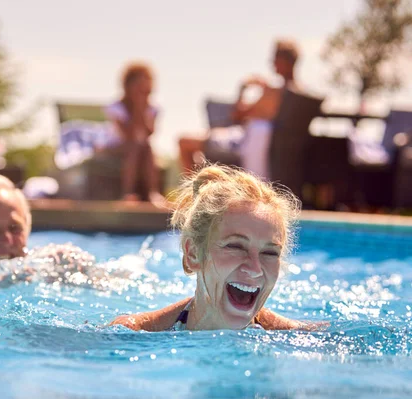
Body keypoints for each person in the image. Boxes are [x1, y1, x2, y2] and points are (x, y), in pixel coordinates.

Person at [110, 164, 319, 332]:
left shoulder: (299, 339)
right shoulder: (134, 333)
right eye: (236, 246)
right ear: (193, 254)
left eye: (270, 252)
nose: (255, 269)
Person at [178, 39, 300, 179]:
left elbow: (237, 114)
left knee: (184, 142)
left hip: (243, 143)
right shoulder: (301, 93)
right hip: (269, 148)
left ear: (283, 61)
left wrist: (244, 86)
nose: (272, 63)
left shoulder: (273, 93)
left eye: (275, 59)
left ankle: (195, 195)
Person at [104, 62, 167, 207]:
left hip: (140, 148)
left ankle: (152, 192)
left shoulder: (153, 109)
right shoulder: (116, 107)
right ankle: (128, 192)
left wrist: (142, 108)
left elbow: (149, 133)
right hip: (114, 147)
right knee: (135, 147)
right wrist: (137, 108)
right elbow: (128, 135)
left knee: (146, 146)